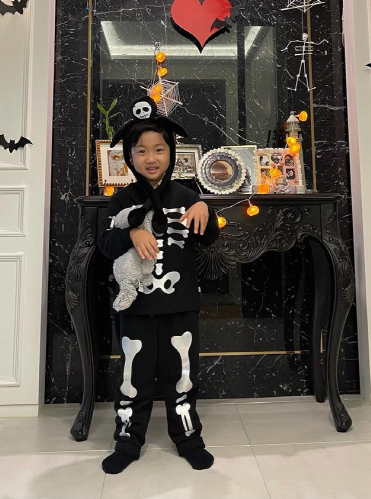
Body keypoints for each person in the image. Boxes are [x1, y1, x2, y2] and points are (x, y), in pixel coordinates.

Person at [96, 95, 220, 474]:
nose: (151, 158)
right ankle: (128, 439)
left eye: (159, 149)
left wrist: (206, 208)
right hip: (135, 308)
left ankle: (188, 437)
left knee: (182, 375)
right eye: (141, 151)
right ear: (129, 157)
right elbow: (105, 244)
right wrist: (131, 232)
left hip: (180, 306)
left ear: (171, 153)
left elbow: (209, 237)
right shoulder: (121, 200)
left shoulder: (187, 197)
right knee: (133, 377)